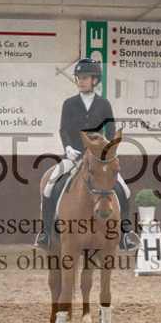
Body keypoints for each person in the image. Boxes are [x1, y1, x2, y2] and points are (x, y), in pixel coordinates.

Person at [34, 58, 140, 252]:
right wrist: (68, 148)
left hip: (97, 159)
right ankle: (45, 233)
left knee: (124, 190)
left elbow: (111, 131)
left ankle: (125, 235)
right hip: (73, 156)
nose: (81, 81)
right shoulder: (69, 103)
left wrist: (104, 149)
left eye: (85, 78)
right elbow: (63, 129)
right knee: (50, 186)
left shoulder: (104, 104)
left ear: (95, 80)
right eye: (79, 78)